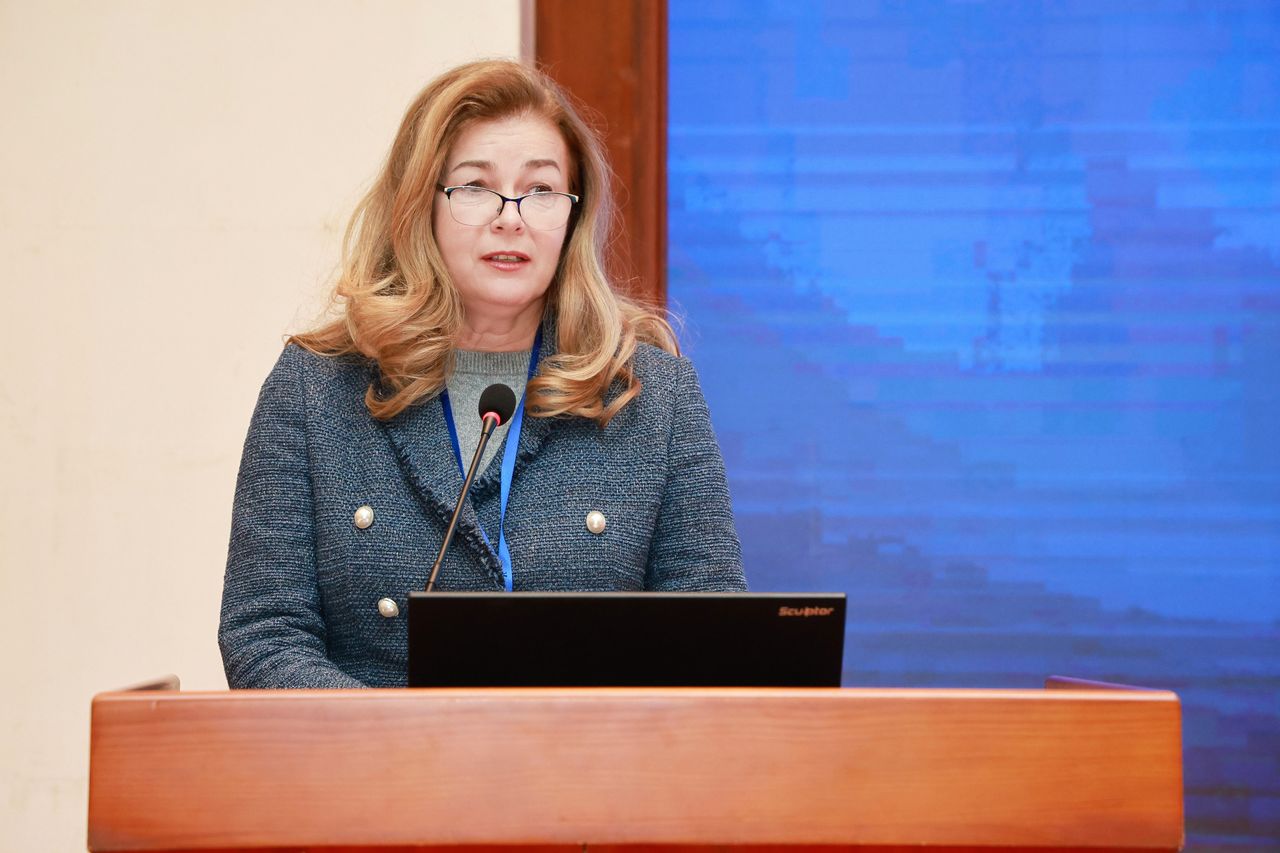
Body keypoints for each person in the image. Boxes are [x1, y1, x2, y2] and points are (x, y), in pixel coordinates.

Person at [219, 59, 746, 689]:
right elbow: (265, 635)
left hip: (584, 748)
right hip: (378, 748)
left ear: (572, 216)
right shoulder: (315, 387)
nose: (511, 217)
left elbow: (713, 638)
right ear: (420, 206)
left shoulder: (652, 394)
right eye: (475, 186)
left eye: (541, 189)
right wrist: (405, 737)